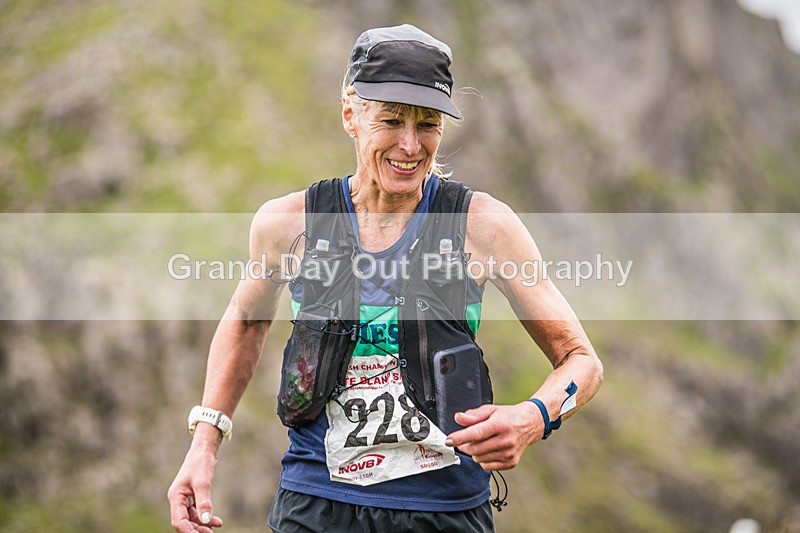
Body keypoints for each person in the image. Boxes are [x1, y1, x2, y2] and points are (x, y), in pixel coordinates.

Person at [168, 24, 603, 533]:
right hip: (317, 503)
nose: (411, 145)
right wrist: (204, 444)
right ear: (351, 116)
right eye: (392, 120)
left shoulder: (482, 227)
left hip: (446, 511)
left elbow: (581, 362)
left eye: (428, 124)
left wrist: (534, 418)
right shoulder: (288, 226)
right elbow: (246, 320)